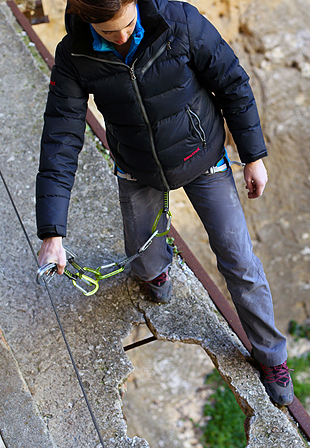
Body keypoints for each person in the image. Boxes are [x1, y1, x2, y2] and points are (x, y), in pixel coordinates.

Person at [36, 0, 293, 406]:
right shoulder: (74, 55)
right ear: (86, 20)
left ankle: (272, 357)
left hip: (202, 154)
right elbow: (60, 139)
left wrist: (253, 156)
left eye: (127, 25)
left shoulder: (180, 21)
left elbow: (232, 83)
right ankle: (155, 275)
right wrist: (53, 234)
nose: (122, 38)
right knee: (143, 261)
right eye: (108, 33)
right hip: (136, 164)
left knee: (239, 259)